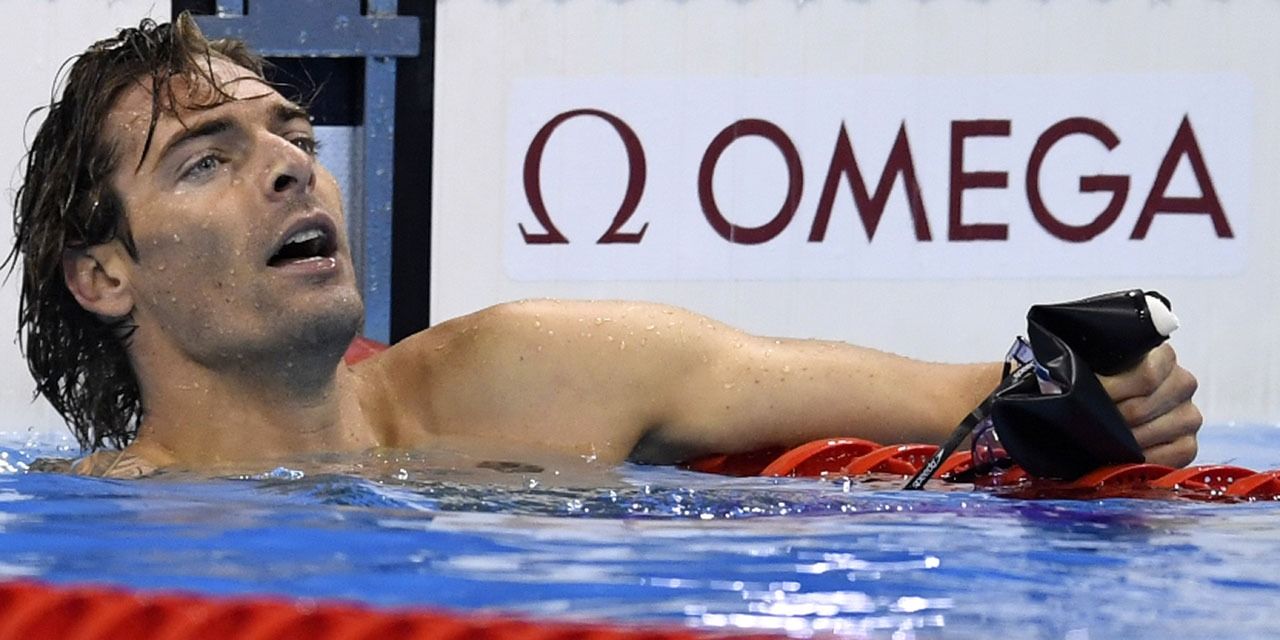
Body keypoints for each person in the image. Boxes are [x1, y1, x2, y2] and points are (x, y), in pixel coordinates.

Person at [7, 15, 1201, 478]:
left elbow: (970, 400)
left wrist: (1099, 394)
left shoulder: (534, 371)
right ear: (103, 273)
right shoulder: (79, 539)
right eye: (203, 160)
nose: (288, 166)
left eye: (292, 136)